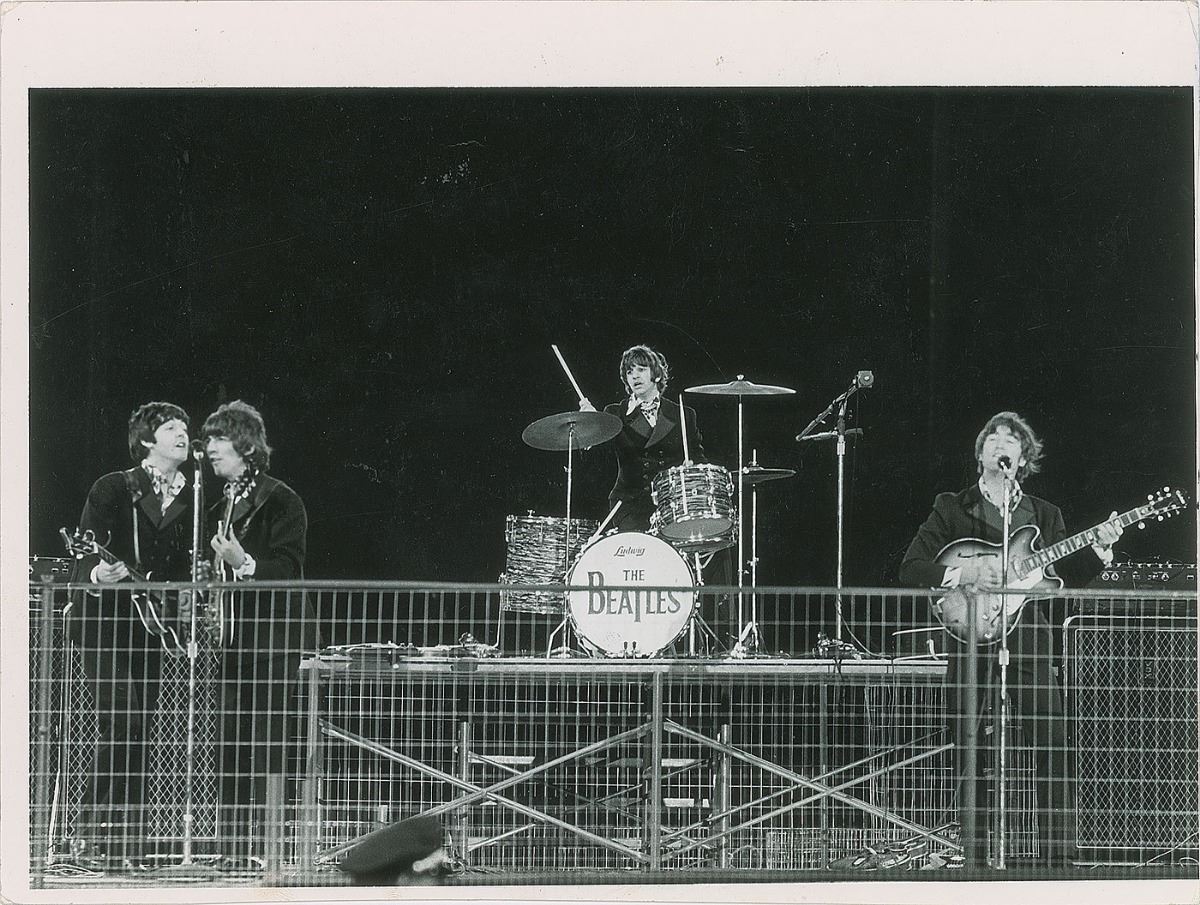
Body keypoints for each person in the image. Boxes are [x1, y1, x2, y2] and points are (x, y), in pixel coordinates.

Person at [900, 411, 1122, 867]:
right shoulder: (951, 506)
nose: (1001, 444)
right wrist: (966, 572)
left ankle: (1057, 861)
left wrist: (1100, 546)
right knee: (970, 743)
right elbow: (911, 567)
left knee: (1052, 741)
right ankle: (976, 859)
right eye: (992, 439)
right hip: (970, 632)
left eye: (1012, 441)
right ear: (981, 454)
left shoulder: (1043, 515)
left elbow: (1067, 578)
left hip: (1029, 638)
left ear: (1023, 459)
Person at [66, 401, 195, 869]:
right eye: (170, 428)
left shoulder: (189, 495)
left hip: (151, 628)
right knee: (124, 724)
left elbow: (182, 567)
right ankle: (84, 833)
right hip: (104, 624)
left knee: (142, 734)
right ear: (147, 441)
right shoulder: (114, 487)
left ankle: (128, 846)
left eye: (185, 427)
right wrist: (98, 572)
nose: (183, 433)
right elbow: (85, 556)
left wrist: (184, 617)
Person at [201, 399, 317, 869]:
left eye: (217, 439)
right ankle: (230, 852)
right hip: (234, 639)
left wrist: (242, 563)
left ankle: (267, 850)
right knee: (228, 741)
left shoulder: (281, 498)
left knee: (267, 741)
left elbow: (289, 568)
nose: (208, 448)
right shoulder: (217, 506)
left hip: (273, 638)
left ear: (245, 445)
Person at [580, 344, 706, 533]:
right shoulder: (614, 413)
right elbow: (598, 458)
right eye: (630, 372)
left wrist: (692, 469)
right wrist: (592, 425)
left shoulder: (683, 414)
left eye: (641, 369)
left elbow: (699, 460)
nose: (635, 376)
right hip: (630, 505)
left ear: (656, 374)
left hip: (671, 504)